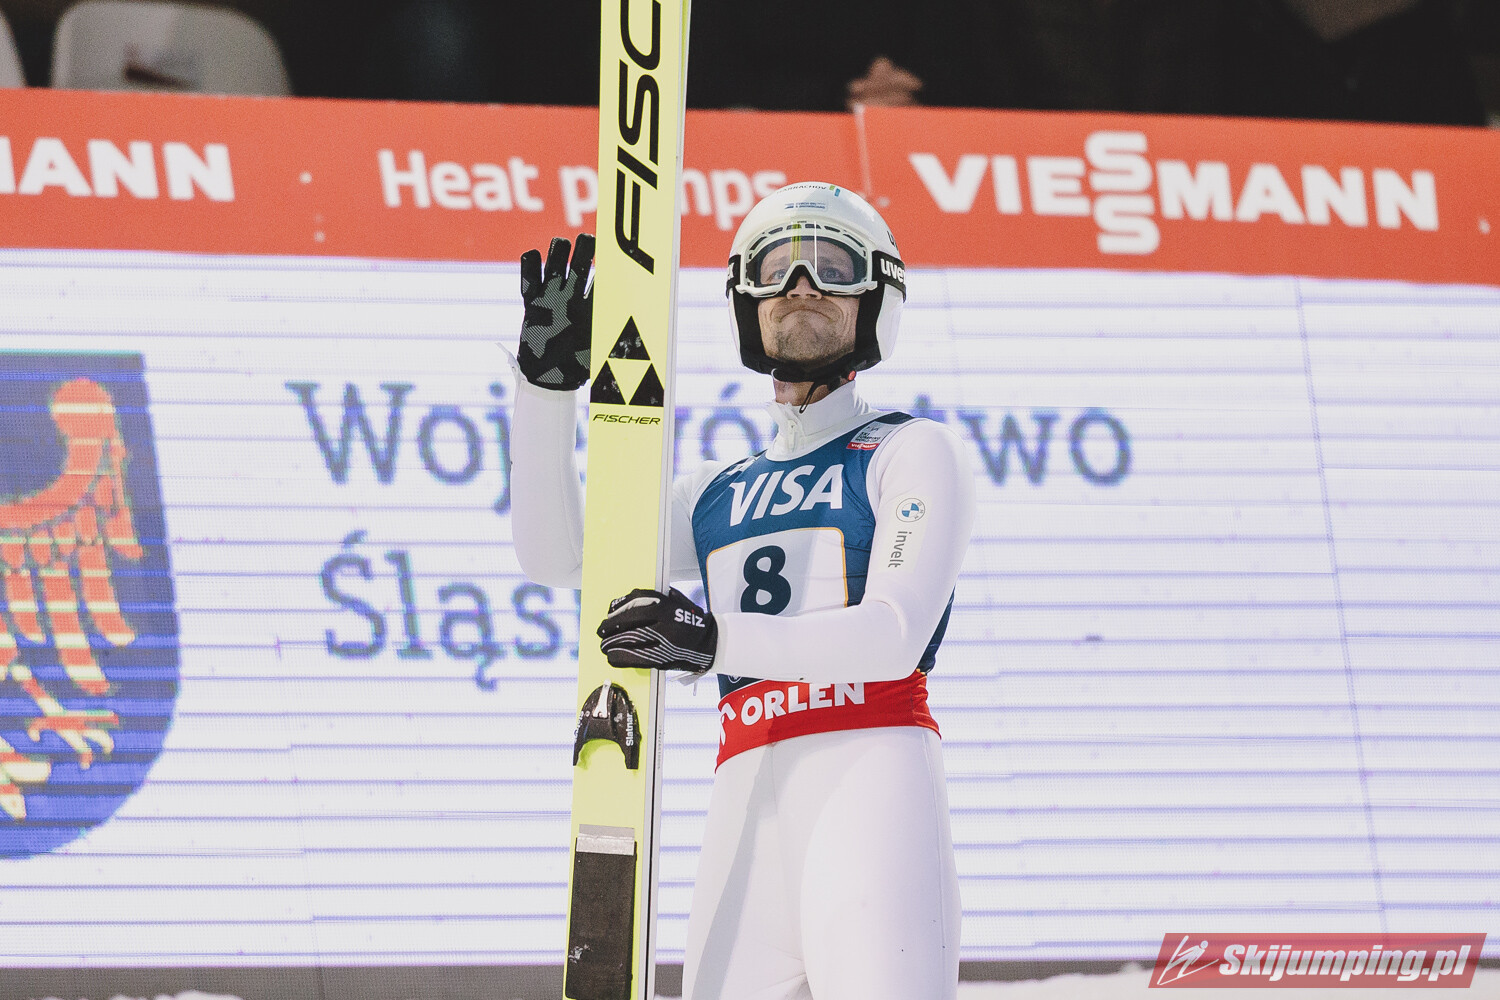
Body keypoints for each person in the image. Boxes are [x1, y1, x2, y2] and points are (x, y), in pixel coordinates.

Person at [509, 182, 975, 1000]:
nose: (801, 285)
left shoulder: (909, 450)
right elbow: (561, 558)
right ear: (744, 301)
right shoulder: (717, 490)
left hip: (873, 778)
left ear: (876, 298)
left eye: (833, 267)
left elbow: (894, 635)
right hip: (744, 787)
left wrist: (711, 639)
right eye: (776, 267)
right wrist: (545, 391)